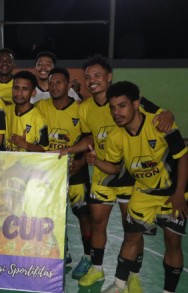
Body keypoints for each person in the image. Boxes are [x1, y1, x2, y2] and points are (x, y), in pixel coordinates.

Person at [58, 55, 174, 289]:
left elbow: (163, 115)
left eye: (97, 75)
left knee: (132, 229)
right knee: (97, 223)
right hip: (103, 173)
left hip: (130, 177)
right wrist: (70, 150)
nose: (92, 81)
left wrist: (169, 114)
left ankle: (134, 276)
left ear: (109, 77)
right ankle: (98, 270)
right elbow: (89, 136)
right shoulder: (85, 108)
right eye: (88, 77)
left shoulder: (129, 100)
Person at [88, 81, 187, 293]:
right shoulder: (116, 136)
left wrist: (179, 193)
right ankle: (119, 285)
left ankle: (168, 291)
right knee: (131, 235)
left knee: (173, 241)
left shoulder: (160, 124)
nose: (117, 112)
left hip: (173, 193)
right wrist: (96, 161)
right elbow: (115, 168)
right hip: (143, 191)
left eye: (122, 106)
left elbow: (183, 156)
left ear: (136, 105)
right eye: (113, 108)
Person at [35, 67, 92, 279]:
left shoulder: (79, 109)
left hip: (75, 171)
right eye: (51, 83)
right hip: (49, 173)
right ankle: (63, 253)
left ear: (68, 85)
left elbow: (90, 140)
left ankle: (88, 256)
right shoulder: (40, 106)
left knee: (83, 215)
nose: (54, 86)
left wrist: (81, 162)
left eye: (59, 82)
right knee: (51, 215)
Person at [5, 70, 48, 152]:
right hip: (5, 163)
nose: (19, 93)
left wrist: (25, 144)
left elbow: (44, 151)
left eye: (24, 89)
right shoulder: (6, 111)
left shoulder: (39, 119)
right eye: (16, 88)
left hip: (28, 164)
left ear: (33, 92)